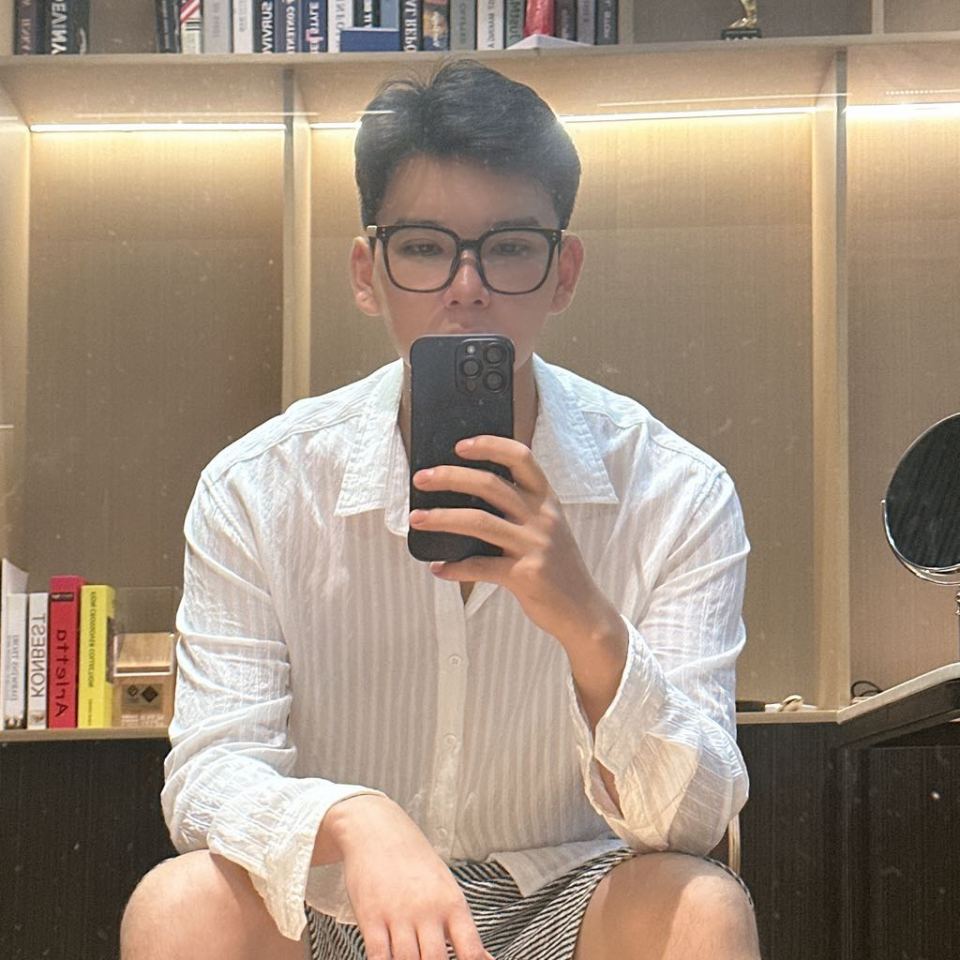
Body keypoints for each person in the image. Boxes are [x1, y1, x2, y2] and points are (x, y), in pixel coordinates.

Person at [120, 60, 760, 960]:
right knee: (180, 904)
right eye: (424, 247)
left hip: (571, 899)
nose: (467, 286)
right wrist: (355, 819)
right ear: (367, 272)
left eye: (510, 246)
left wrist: (589, 626)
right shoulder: (259, 487)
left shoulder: (677, 492)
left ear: (563, 272)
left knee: (701, 905)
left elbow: (690, 825)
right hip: (341, 901)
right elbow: (208, 775)